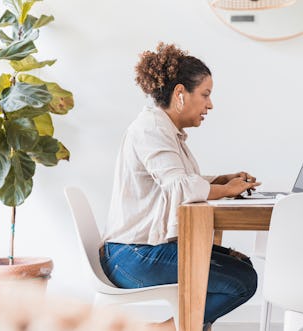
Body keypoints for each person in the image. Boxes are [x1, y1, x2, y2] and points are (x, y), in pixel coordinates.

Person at [101, 42, 260, 331]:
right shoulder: (150, 129)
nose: (210, 105)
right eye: (205, 95)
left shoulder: (164, 130)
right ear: (180, 94)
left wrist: (220, 180)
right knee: (243, 281)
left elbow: (175, 180)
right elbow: (179, 187)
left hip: (139, 251)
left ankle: (182, 326)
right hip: (133, 256)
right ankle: (166, 329)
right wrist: (225, 191)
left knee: (243, 266)